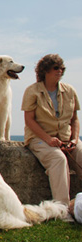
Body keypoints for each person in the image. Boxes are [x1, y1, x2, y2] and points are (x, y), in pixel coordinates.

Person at [22, 54, 82, 205]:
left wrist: (75, 139)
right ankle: (62, 207)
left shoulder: (70, 91)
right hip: (39, 138)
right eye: (56, 68)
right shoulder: (32, 91)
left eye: (62, 68)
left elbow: (74, 119)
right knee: (58, 159)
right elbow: (29, 120)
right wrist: (48, 139)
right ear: (45, 70)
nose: (60, 71)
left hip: (67, 138)